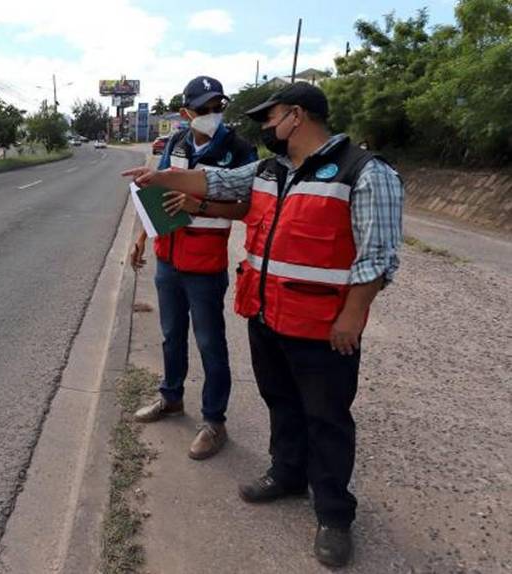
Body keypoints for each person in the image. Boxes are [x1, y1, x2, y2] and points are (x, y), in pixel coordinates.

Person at [121, 83, 404, 567]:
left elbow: (378, 257)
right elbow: (217, 185)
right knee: (282, 402)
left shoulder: (365, 173)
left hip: (324, 326)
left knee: (327, 419)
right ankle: (288, 474)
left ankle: (334, 514)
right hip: (268, 315)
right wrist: (163, 177)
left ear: (296, 116)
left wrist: (353, 316)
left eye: (270, 119)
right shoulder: (270, 170)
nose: (266, 128)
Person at [130, 76, 257, 461]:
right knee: (171, 334)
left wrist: (198, 205)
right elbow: (154, 189)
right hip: (168, 256)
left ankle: (214, 421)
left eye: (218, 107)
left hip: (204, 262)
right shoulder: (177, 142)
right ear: (187, 113)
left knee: (209, 342)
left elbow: (247, 207)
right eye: (203, 109)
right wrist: (140, 238)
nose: (212, 115)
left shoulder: (239, 150)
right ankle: (171, 398)